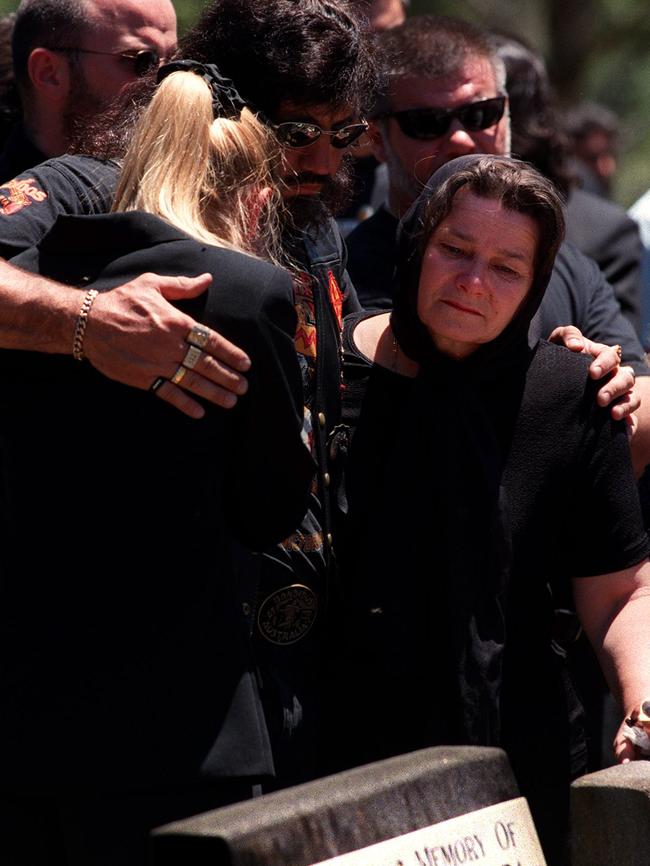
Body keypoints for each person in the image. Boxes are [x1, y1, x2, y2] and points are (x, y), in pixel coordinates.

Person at [0, 0, 380, 787]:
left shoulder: (313, 222)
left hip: (307, 654)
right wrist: (88, 318)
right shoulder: (87, 187)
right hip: (157, 677)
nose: (320, 161)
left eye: (344, 133)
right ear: (224, 106)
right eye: (298, 131)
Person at [337, 155, 650, 865]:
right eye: (454, 250)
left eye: (507, 268)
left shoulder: (573, 394)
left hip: (519, 764)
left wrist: (642, 703)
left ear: (537, 285)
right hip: (337, 766)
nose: (473, 282)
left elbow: (622, 592)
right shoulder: (329, 375)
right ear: (416, 245)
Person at [344, 14, 650, 473]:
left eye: (479, 113)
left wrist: (592, 388)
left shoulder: (568, 264)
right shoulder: (340, 268)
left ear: (506, 113)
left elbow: (641, 402)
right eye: (426, 122)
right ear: (377, 138)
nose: (462, 138)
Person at [491, 32, 643, 335]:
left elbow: (625, 361)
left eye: (479, 113)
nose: (457, 134)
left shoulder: (601, 235)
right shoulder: (414, 208)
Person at [0, 0, 177, 180]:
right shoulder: (11, 201)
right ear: (49, 73)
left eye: (175, 61)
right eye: (143, 61)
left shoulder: (186, 193)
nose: (167, 82)